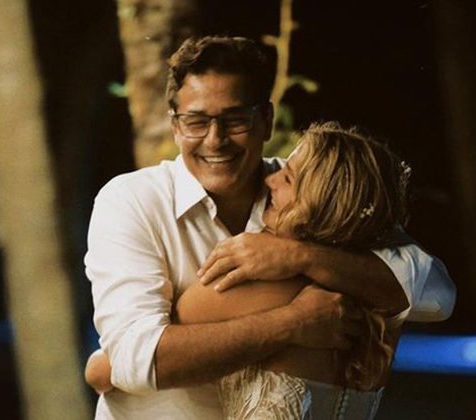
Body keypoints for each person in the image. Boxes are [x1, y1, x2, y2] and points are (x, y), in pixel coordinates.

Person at [85, 35, 455, 419]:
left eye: (234, 120)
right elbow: (137, 360)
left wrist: (298, 256)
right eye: (196, 121)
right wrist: (292, 323)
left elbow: (435, 293)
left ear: (266, 120)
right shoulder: (132, 201)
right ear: (175, 126)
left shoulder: (312, 194)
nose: (215, 139)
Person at [88, 121, 419, 418]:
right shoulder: (382, 304)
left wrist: (98, 364)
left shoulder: (244, 285)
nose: (270, 179)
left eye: (288, 178)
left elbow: (126, 365)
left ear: (317, 204)